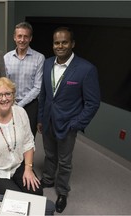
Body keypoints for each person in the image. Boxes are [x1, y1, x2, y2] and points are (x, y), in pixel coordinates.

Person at [37, 27, 100, 213]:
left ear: (72, 44)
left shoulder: (86, 69)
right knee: (49, 154)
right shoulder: (47, 63)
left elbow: (92, 103)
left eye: (64, 42)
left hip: (68, 124)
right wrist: (41, 118)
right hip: (48, 120)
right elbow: (44, 94)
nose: (60, 46)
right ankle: (48, 180)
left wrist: (76, 124)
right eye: (57, 43)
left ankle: (63, 191)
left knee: (64, 161)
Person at [0, 77, 55, 215]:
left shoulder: (20, 113)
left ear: (13, 95)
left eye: (8, 94)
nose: (4, 98)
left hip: (17, 165)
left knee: (37, 192)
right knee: (16, 202)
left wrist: (28, 168)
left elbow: (28, 142)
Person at [4, 22, 45, 138]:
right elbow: (5, 84)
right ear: (14, 37)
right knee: (11, 137)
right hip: (10, 102)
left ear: (30, 38)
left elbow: (38, 87)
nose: (22, 40)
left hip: (30, 105)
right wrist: (11, 101)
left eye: (26, 36)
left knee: (28, 138)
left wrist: (20, 104)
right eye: (19, 36)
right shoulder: (6, 58)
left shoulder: (39, 58)